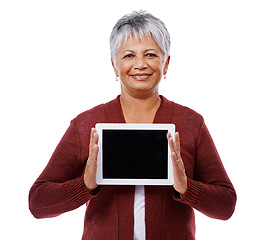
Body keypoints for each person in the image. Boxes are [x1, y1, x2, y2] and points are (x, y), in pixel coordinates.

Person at [29, 11, 236, 240]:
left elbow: (226, 205)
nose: (140, 64)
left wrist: (187, 188)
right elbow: (38, 203)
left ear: (166, 63)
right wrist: (85, 185)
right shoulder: (86, 124)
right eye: (128, 55)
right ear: (114, 65)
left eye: (150, 54)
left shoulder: (191, 123)